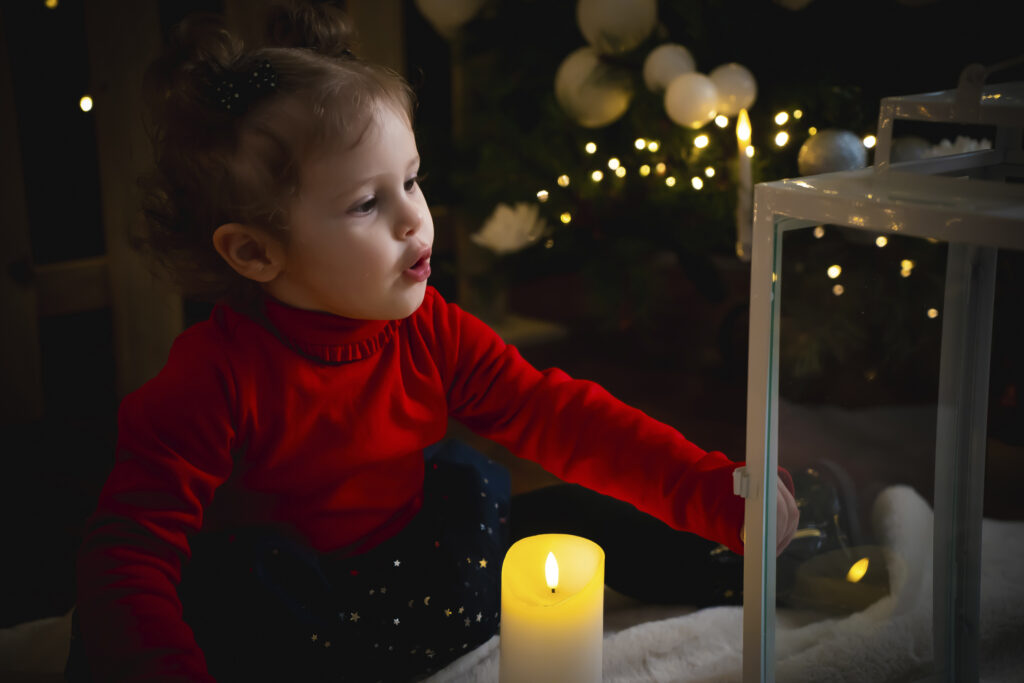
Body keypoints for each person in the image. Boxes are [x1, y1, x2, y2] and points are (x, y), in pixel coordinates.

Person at [67, 2, 799, 681]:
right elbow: (128, 556)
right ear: (256, 254)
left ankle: (761, 541)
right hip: (299, 618)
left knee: (564, 512)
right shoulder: (212, 377)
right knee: (233, 583)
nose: (413, 220)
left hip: (422, 587)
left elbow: (559, 414)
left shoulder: (427, 327)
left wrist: (708, 486)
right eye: (366, 203)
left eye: (411, 181)